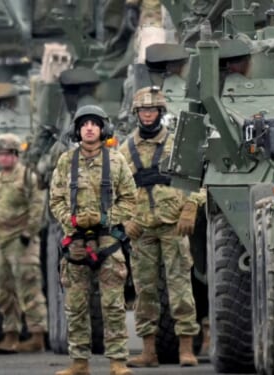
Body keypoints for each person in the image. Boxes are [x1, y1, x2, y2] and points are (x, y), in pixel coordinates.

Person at [118, 87, 204, 368]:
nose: (147, 115)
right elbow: (110, 190)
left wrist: (191, 207)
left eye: (152, 110)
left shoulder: (176, 144)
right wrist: (124, 220)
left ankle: (186, 348)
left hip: (173, 226)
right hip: (141, 229)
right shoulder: (125, 150)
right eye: (143, 111)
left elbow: (197, 178)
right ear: (136, 114)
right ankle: (148, 351)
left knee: (181, 288)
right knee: (145, 292)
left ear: (160, 113)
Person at [49, 105, 137, 375]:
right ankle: (79, 362)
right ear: (77, 130)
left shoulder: (116, 161)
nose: (89, 128)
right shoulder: (66, 161)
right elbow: (55, 199)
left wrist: (107, 219)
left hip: (108, 241)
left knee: (113, 305)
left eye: (94, 124)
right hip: (75, 243)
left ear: (102, 130)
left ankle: (118, 362)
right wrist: (70, 221)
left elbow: (130, 200)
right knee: (75, 306)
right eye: (84, 124)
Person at [0, 133, 48, 354]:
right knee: (4, 291)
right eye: (0, 154)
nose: (3, 158)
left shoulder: (27, 177)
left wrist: (28, 233)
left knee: (29, 287)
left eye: (8, 154)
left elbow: (37, 205)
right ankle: (10, 335)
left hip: (21, 241)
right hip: (0, 242)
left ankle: (36, 336)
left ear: (16, 155)